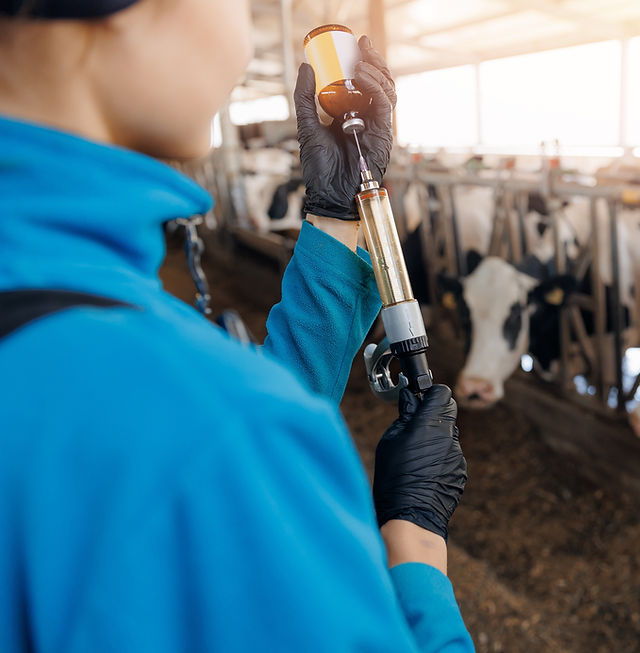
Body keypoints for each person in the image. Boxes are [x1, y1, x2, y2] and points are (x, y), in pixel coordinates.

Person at [0, 1, 472, 651]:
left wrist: (335, 217)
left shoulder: (49, 295)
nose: (244, 33)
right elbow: (205, 424)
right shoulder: (203, 437)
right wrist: (414, 543)